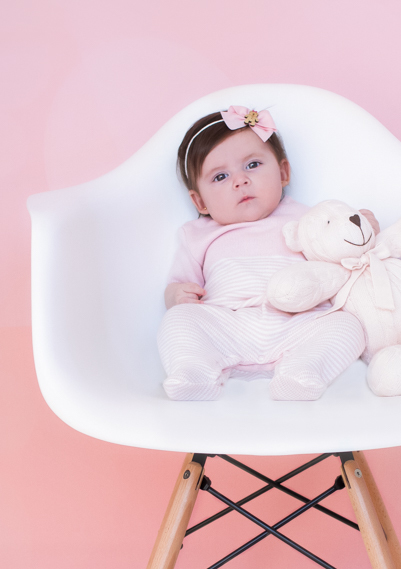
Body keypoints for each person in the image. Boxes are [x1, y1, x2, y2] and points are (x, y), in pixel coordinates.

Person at [157, 107, 367, 401]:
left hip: (298, 324)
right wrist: (177, 296)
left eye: (253, 165)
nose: (239, 181)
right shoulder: (197, 234)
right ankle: (196, 371)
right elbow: (177, 285)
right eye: (220, 177)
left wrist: (363, 230)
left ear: (283, 172)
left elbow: (344, 252)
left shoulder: (310, 219)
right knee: (179, 319)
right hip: (228, 325)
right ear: (200, 201)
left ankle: (302, 371)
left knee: (348, 325)